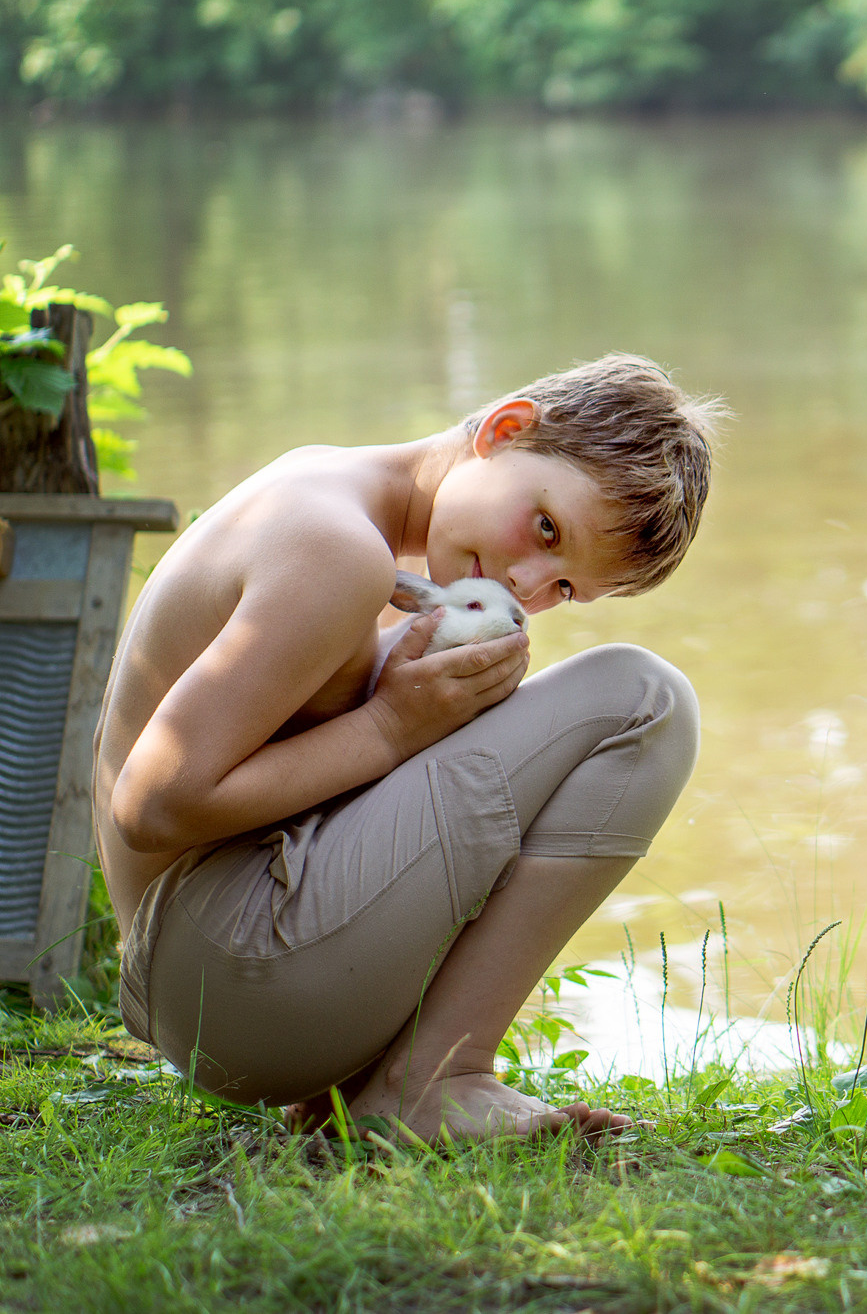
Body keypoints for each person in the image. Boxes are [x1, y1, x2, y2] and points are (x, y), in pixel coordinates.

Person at [94, 353, 716, 1142]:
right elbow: (150, 805)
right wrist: (390, 727)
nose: (528, 586)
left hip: (204, 981)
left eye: (565, 588)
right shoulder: (338, 548)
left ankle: (372, 1082)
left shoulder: (332, 494)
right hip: (223, 969)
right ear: (505, 429)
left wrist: (411, 713)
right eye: (547, 529)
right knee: (645, 700)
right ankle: (434, 1081)